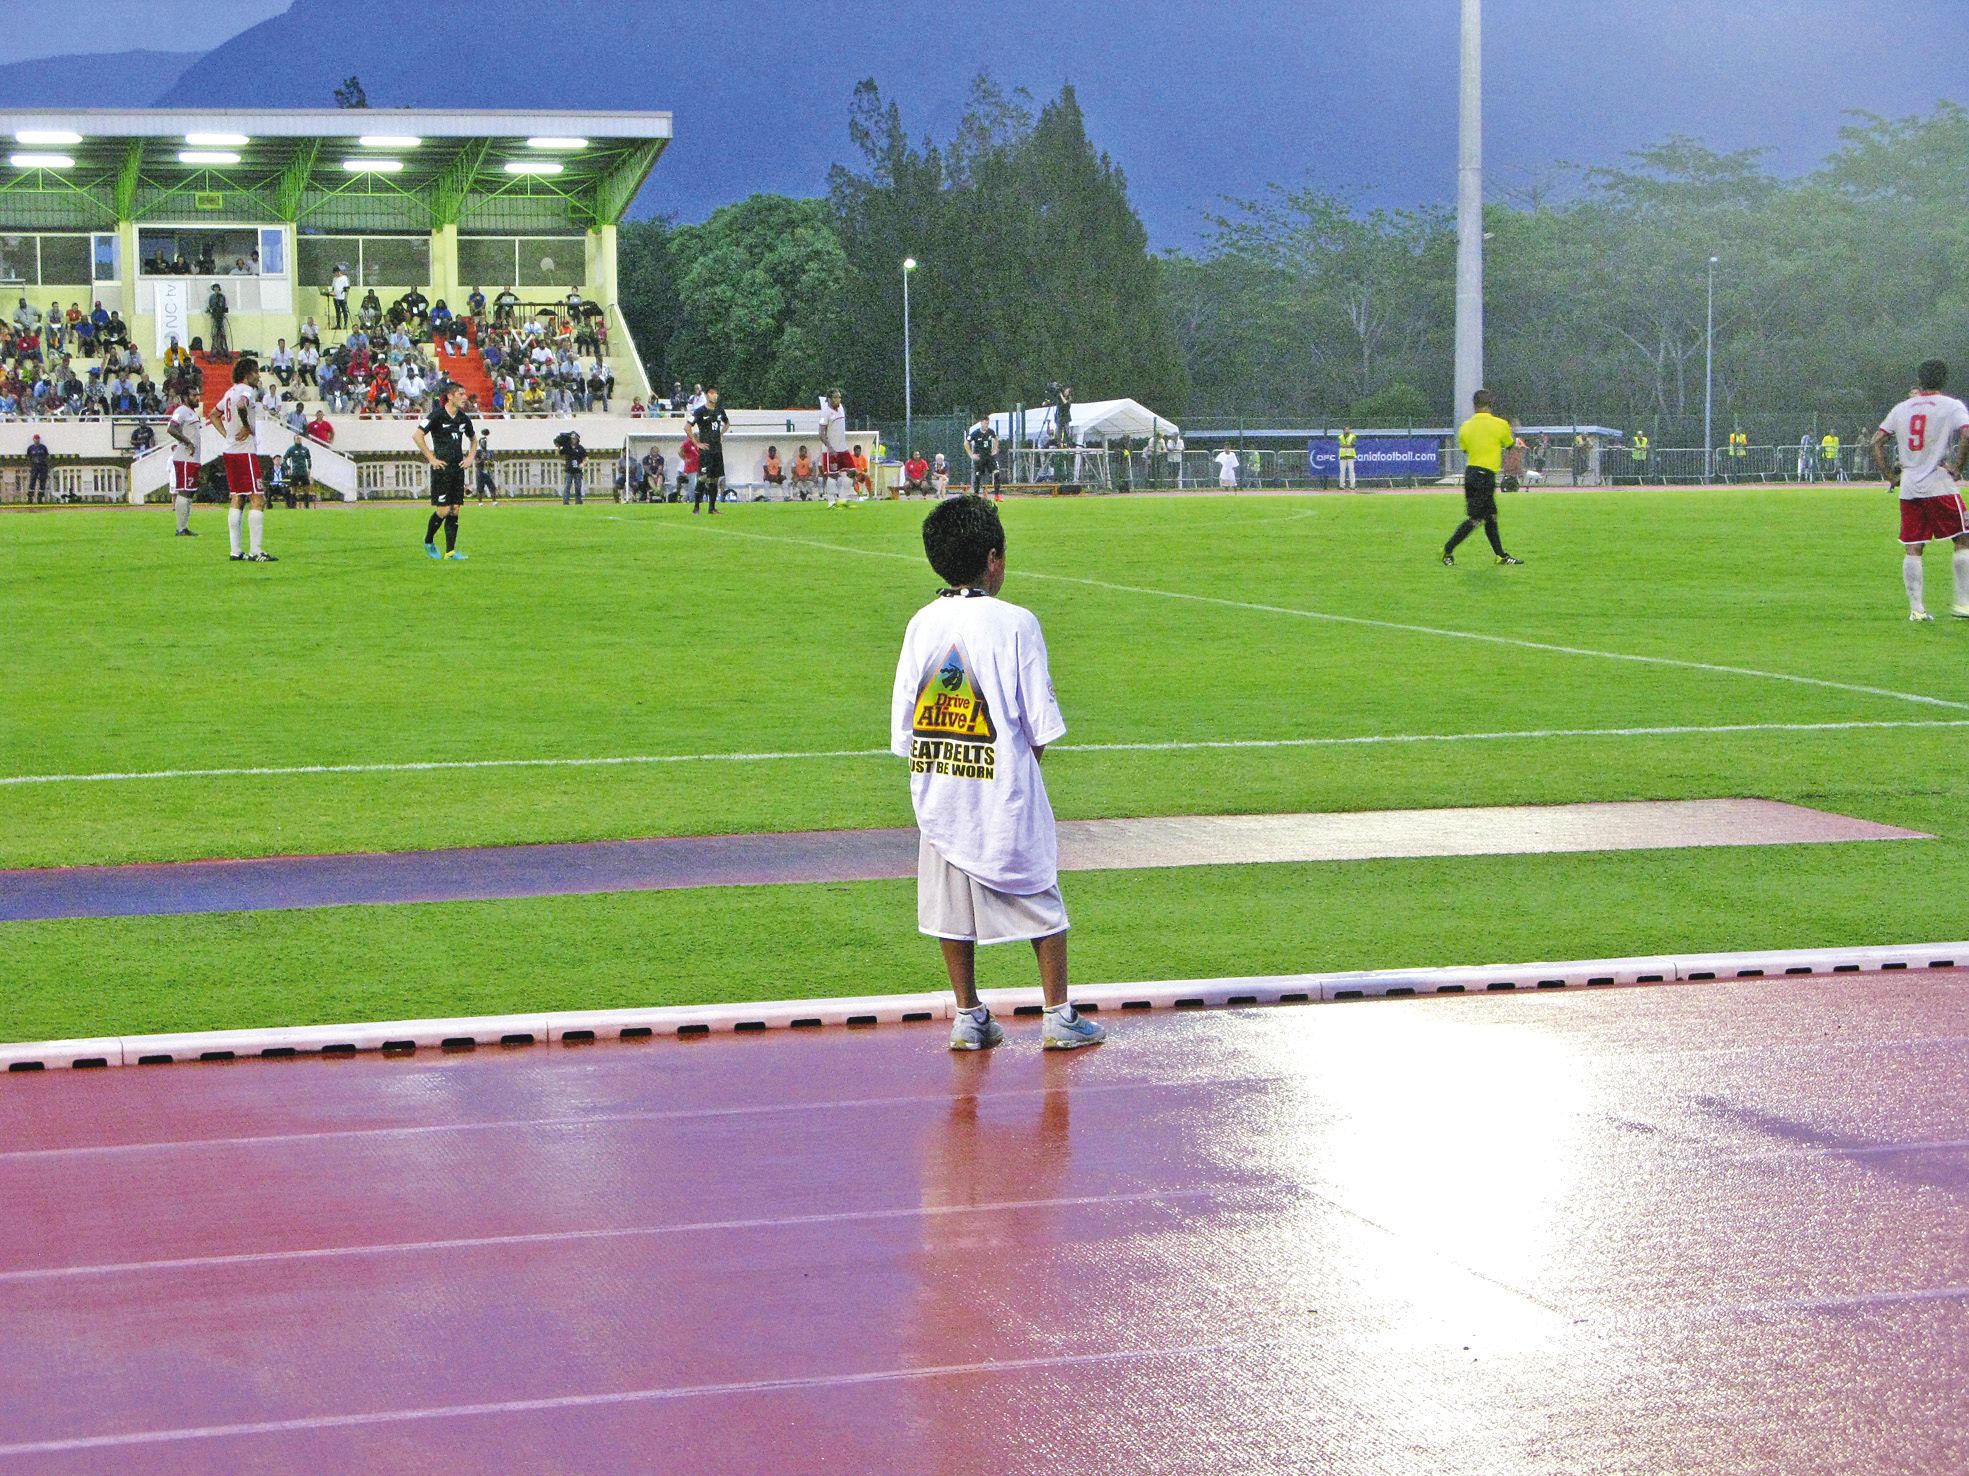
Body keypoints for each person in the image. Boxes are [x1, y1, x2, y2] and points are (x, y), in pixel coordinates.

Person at [890, 496, 1103, 1053]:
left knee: (949, 906)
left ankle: (968, 1015)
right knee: (1040, 895)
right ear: (992, 559)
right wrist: (1016, 776)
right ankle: (1058, 1014)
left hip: (940, 788)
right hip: (1003, 789)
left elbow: (906, 724)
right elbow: (1040, 725)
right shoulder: (1016, 623)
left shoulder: (921, 623)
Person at [1872, 359, 1969, 622]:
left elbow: (1877, 441)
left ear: (1919, 379)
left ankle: (1917, 610)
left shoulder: (1902, 408)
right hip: (1939, 483)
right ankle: (1963, 604)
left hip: (1910, 486)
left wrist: (1890, 477)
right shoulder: (1951, 405)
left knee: (1913, 547)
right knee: (1963, 539)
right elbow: (1966, 433)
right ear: (1944, 379)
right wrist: (1958, 467)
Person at [1443, 389, 1522, 567]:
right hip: (1485, 476)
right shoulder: (1500, 424)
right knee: (1476, 519)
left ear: (1474, 405)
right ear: (1490, 405)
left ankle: (1500, 556)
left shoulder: (1465, 427)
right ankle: (1447, 550)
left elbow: (1466, 450)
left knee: (1491, 516)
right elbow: (1509, 445)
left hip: (1472, 474)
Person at [210, 356, 275, 562]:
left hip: (230, 452)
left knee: (237, 497)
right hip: (244, 452)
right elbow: (241, 405)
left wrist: (227, 435)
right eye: (256, 372)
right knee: (258, 498)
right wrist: (246, 426)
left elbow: (213, 414)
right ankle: (256, 551)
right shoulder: (247, 391)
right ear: (247, 375)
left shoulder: (229, 392)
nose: (258, 376)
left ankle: (236, 551)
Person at [415, 380, 476, 561]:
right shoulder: (437, 416)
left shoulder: (463, 419)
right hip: (442, 470)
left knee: (455, 509)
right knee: (443, 510)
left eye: (464, 394)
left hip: (458, 469)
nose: (464, 397)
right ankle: (428, 540)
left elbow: (473, 439)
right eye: (460, 394)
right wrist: (431, 458)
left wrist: (470, 458)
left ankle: (450, 552)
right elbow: (417, 435)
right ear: (450, 396)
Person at [167, 390, 202, 535]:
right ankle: (180, 528)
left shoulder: (192, 413)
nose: (197, 398)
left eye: (198, 395)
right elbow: (171, 429)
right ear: (186, 397)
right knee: (184, 491)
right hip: (184, 457)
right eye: (194, 395)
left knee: (190, 492)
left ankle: (184, 526)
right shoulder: (181, 411)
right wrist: (187, 442)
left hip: (192, 458)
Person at [690, 386, 729, 514]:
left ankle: (711, 508)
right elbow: (687, 427)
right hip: (706, 450)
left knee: (715, 479)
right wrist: (697, 443)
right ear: (707, 395)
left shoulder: (720, 410)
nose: (715, 395)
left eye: (716, 393)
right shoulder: (700, 411)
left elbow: (727, 423)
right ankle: (696, 508)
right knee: (703, 477)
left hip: (717, 449)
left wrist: (721, 433)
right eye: (712, 393)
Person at [819, 388, 853, 505]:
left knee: (852, 471)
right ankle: (831, 502)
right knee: (833, 475)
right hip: (831, 450)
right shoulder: (825, 413)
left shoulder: (841, 408)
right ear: (829, 399)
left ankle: (842, 499)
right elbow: (821, 433)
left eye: (839, 397)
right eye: (835, 397)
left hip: (843, 448)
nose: (838, 399)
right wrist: (830, 448)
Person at [966, 414, 1002, 500]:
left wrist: (995, 449)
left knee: (997, 474)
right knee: (978, 476)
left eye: (988, 423)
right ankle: (976, 496)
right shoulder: (975, 433)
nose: (987, 425)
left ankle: (997, 496)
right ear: (981, 423)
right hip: (980, 457)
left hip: (989, 457)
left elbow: (996, 439)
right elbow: (966, 443)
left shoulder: (991, 431)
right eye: (985, 423)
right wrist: (971, 454)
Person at [281, 437, 314, 509]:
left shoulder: (305, 449)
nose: (299, 440)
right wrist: (288, 468)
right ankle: (292, 506)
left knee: (306, 489)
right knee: (293, 489)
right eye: (297, 439)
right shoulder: (291, 449)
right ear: (294, 440)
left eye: (300, 439)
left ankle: (306, 506)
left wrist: (309, 469)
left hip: (304, 472)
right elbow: (284, 459)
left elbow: (309, 459)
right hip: (295, 472)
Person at [559, 430, 587, 505]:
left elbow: (586, 458)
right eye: (572, 438)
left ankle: (578, 501)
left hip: (578, 471)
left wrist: (583, 464)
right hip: (569, 470)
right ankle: (565, 501)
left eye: (574, 438)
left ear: (577, 439)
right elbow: (559, 454)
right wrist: (558, 446)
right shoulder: (567, 447)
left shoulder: (580, 448)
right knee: (567, 486)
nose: (573, 440)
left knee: (578, 487)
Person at [24, 433, 50, 502]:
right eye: (35, 439)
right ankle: (30, 498)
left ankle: (40, 498)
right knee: (32, 481)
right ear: (33, 439)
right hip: (34, 466)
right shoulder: (30, 448)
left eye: (38, 439)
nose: (37, 440)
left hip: (43, 466)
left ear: (39, 439)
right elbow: (29, 457)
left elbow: (46, 456)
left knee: (42, 481)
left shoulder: (43, 447)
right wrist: (32, 463)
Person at [330, 265, 350, 330]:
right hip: (336, 297)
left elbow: (347, 288)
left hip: (342, 297)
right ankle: (338, 325)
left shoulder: (344, 278)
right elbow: (333, 288)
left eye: (336, 272)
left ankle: (345, 324)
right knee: (337, 312)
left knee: (344, 311)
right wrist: (331, 292)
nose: (335, 274)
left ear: (338, 271)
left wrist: (346, 298)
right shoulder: (334, 279)